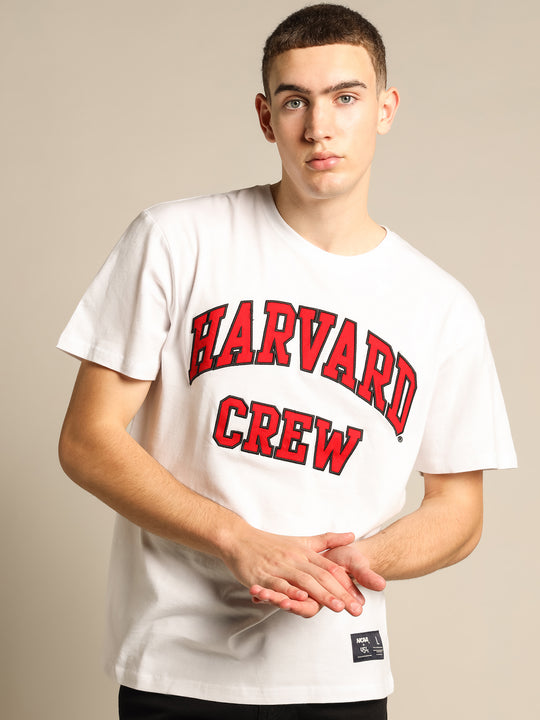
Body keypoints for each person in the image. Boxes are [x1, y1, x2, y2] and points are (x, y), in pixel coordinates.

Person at [57, 4, 516, 719]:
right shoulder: (177, 240)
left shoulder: (441, 306)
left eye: (345, 97)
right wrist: (238, 539)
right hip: (177, 668)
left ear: (385, 108)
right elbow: (88, 440)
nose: (319, 126)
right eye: (295, 100)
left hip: (340, 671)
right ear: (266, 117)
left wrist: (357, 563)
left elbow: (459, 512)